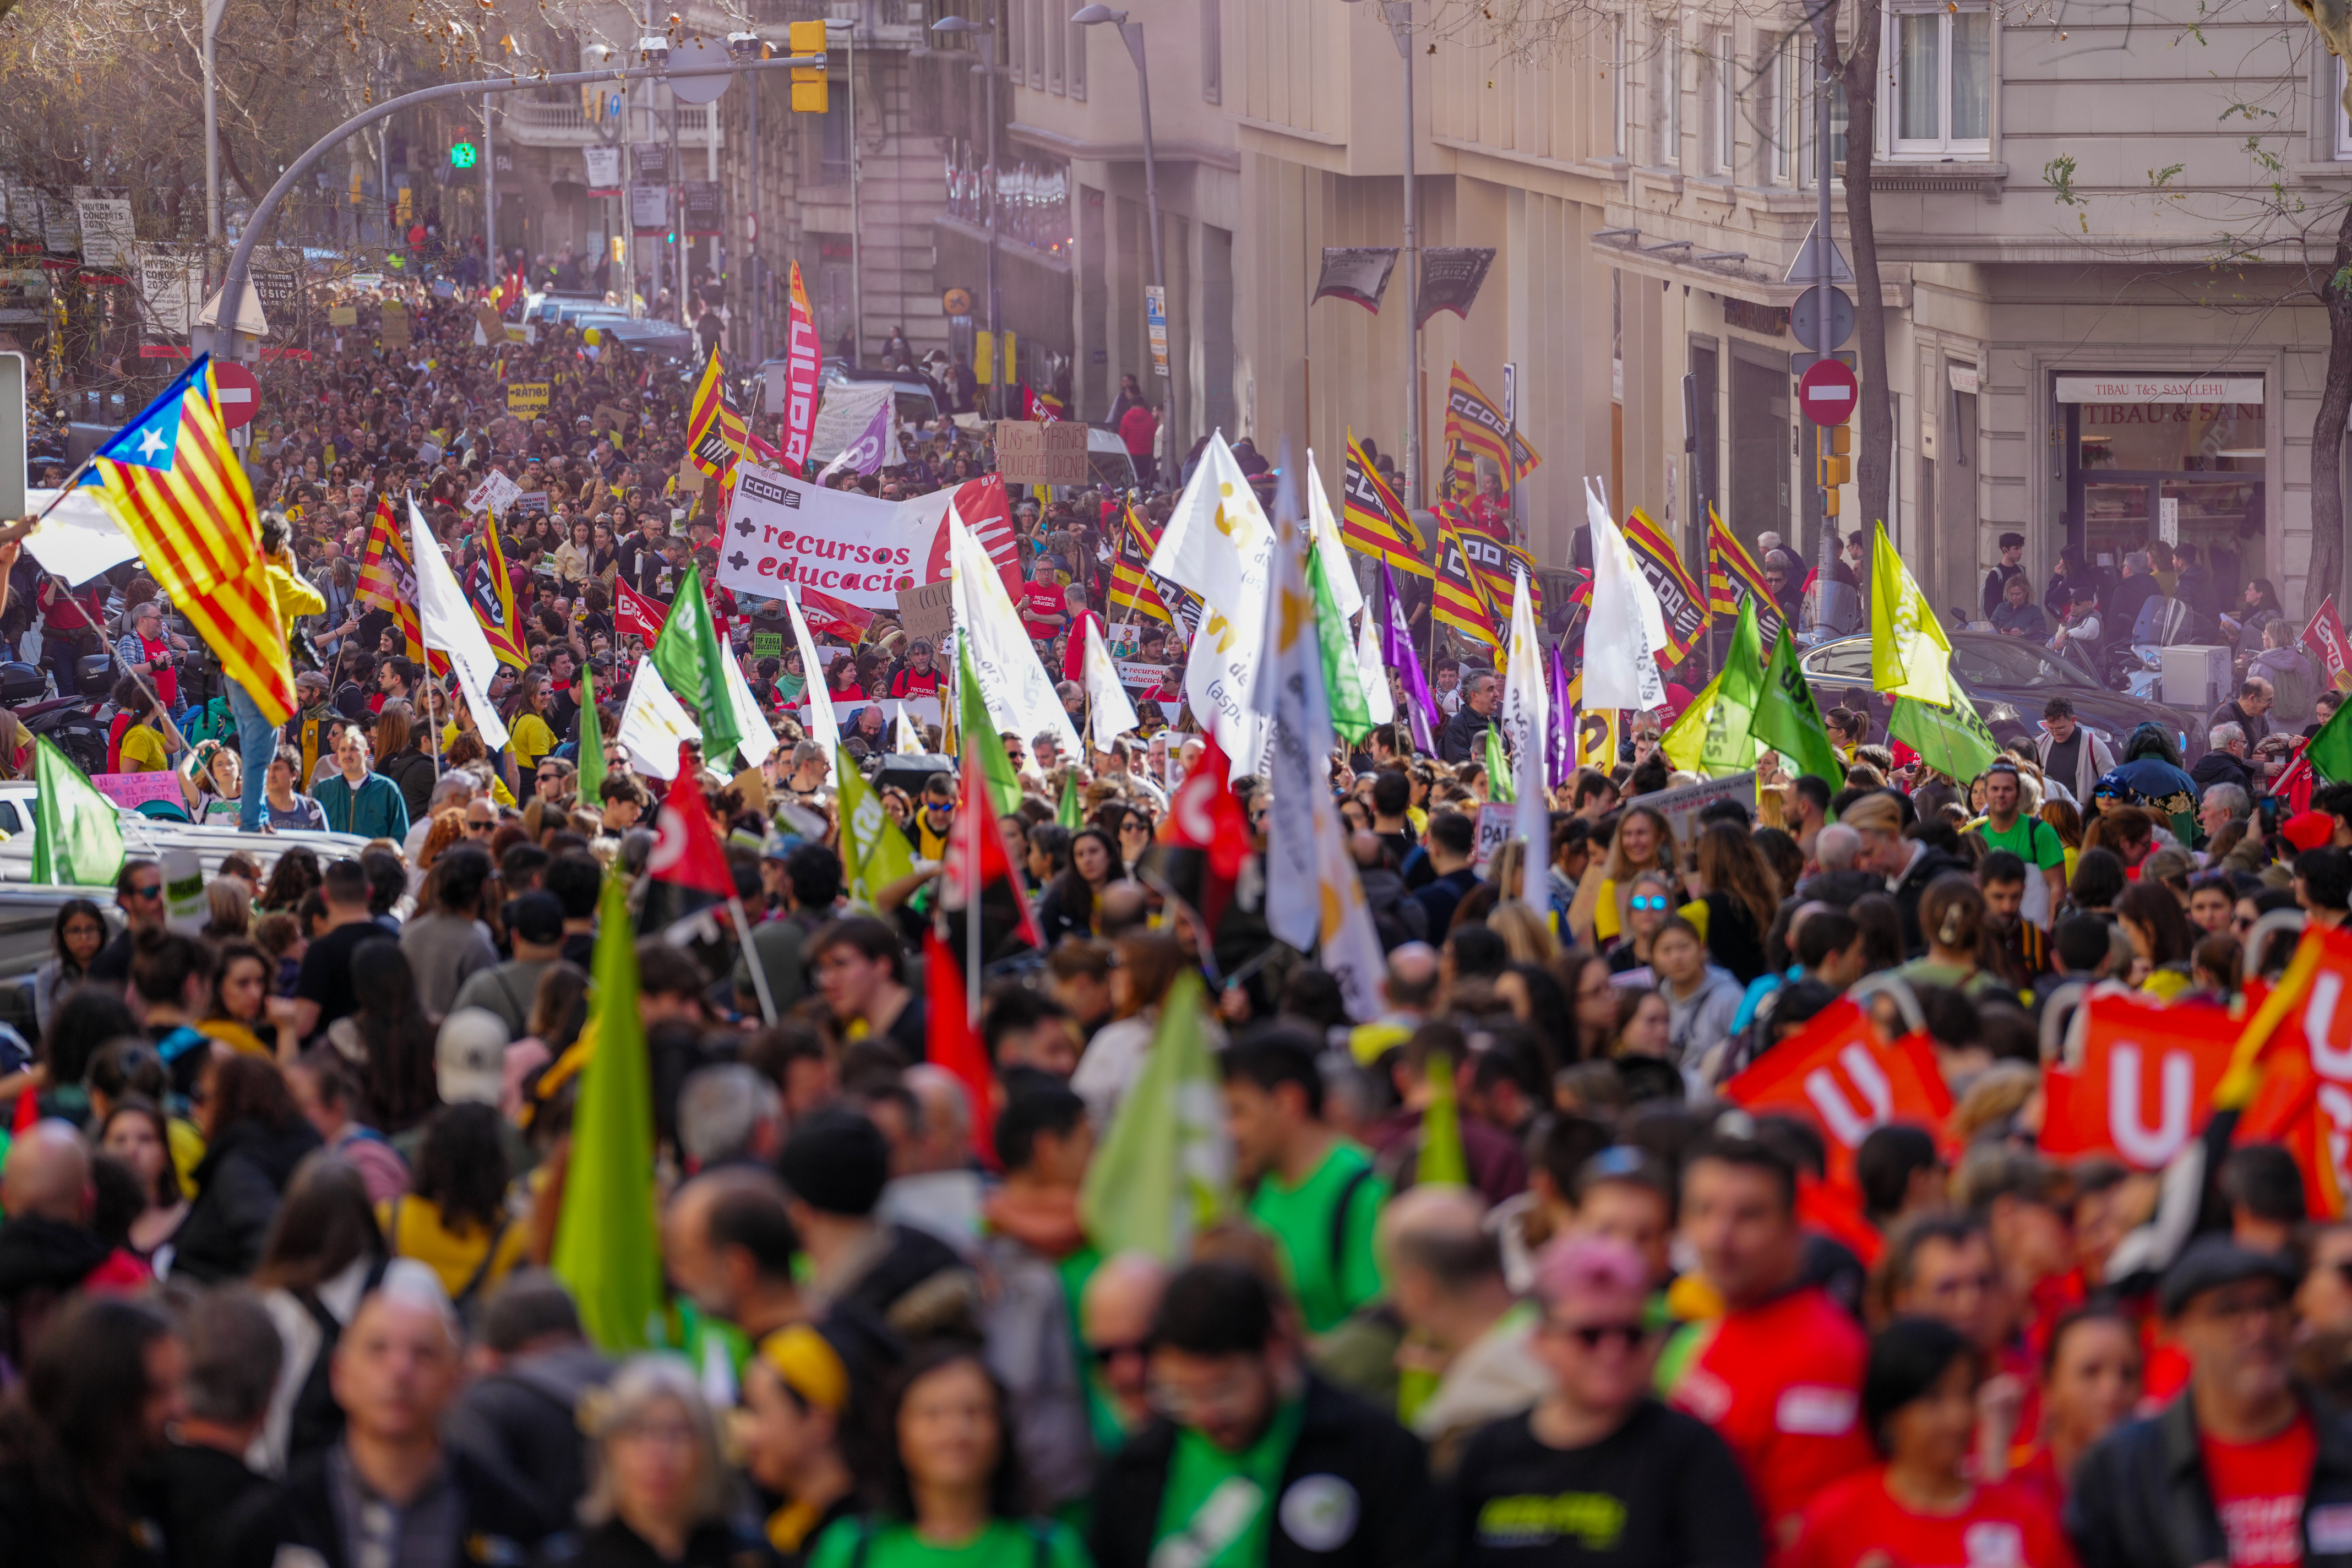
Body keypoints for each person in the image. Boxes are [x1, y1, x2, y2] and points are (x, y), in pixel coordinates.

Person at [1090, 1261, 1438, 1568]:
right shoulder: (1138, 1468)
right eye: (1180, 1394)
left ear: (1274, 1350)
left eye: (1224, 1389)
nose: (1206, 1415)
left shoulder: (1372, 1452)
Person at [1447, 1235, 1765, 1568]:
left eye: (1631, 1334)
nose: (1613, 1352)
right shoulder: (1488, 1453)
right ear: (1540, 1341)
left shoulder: (1690, 1454)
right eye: (1590, 1335)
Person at [225, 1269, 553, 1567]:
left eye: (423, 1353)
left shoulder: (512, 1524)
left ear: (456, 1380)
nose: (399, 1372)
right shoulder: (275, 1523)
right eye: (377, 1350)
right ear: (340, 1374)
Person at [2068, 1237, 2352, 1568]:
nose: (2260, 1327)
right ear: (2178, 1330)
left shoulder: (2343, 1446)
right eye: (2229, 1310)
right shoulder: (2123, 1470)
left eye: (2270, 1304)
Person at [1660, 1137, 1874, 1538]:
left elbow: (1810, 1536)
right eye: (1703, 1211)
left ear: (1793, 1228)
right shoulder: (1731, 1317)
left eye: (1748, 1216)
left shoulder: (1820, 1357)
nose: (1718, 1237)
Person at [1784, 1316, 2074, 1568]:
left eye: (1966, 1395)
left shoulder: (2024, 1520)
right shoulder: (1836, 1522)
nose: (1958, 1417)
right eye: (1935, 1399)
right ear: (1890, 1415)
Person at [805, 1346, 1089, 1568]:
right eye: (933, 1414)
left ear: (1002, 1430)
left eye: (974, 1412)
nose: (955, 1432)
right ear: (898, 1434)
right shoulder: (852, 1550)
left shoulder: (1049, 1552)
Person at [1223, 1030, 1389, 1335]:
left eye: (1238, 1111)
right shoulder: (1251, 1193)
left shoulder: (1364, 1191)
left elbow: (1377, 1332)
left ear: (1288, 1102)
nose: (1228, 1131)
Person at [0, 1294, 184, 1568]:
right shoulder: (17, 1502)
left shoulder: (143, 1480)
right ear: (104, 1396)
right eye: (159, 1392)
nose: (179, 1407)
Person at [569, 1355, 743, 1566]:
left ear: (708, 1448)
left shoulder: (746, 1556)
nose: (658, 1454)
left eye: (678, 1433)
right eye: (638, 1432)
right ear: (609, 1448)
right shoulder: (573, 1559)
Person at [172, 1054, 325, 1283]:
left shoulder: (239, 1167)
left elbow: (266, 1246)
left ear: (229, 1103)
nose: (194, 1110)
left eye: (201, 1097)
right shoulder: (300, 1151)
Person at [311, 725, 411, 840]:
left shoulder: (387, 790)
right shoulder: (323, 791)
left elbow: (400, 837)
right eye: (343, 750)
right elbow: (314, 835)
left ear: (366, 753)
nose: (347, 755)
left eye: (354, 749)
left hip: (373, 858)